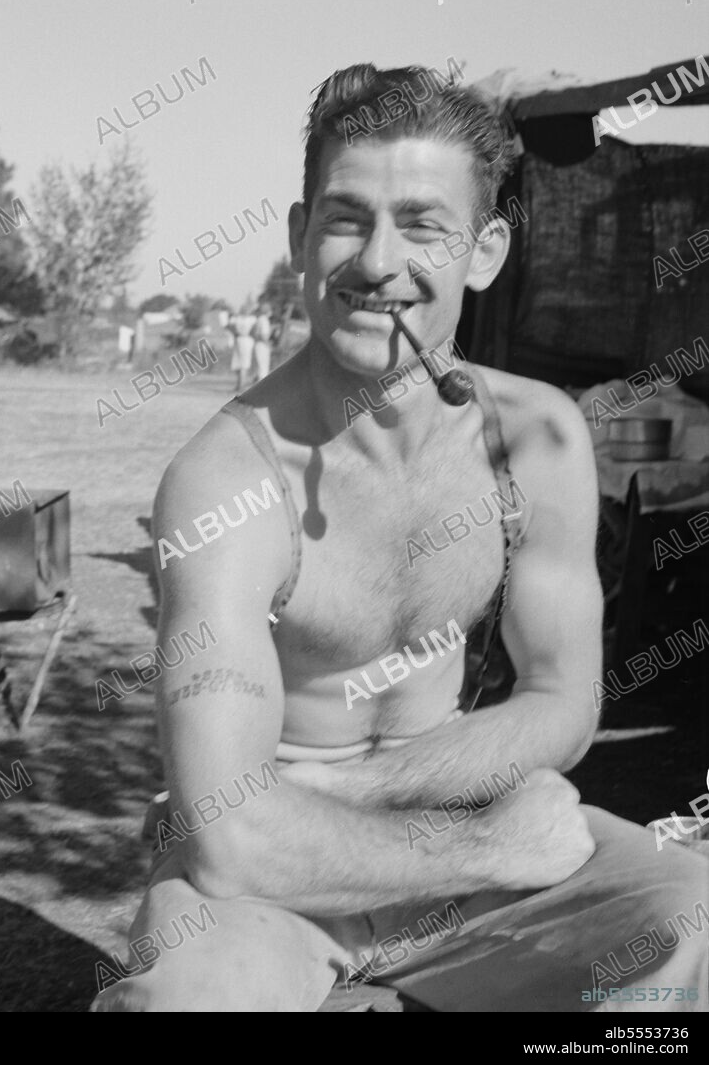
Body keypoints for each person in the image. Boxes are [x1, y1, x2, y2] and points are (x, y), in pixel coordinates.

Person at [92, 64, 708, 1012]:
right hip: (275, 883)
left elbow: (563, 702)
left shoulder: (537, 438)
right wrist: (492, 843)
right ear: (300, 237)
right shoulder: (222, 483)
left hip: (415, 838)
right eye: (345, 217)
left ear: (486, 249)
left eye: (422, 224)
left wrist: (336, 797)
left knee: (687, 917)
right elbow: (231, 840)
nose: (378, 261)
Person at [228, 306, 256, 393]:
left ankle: (240, 384)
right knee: (243, 363)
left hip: (240, 339)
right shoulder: (251, 319)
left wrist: (236, 333)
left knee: (240, 362)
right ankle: (241, 384)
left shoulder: (236, 319)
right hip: (246, 339)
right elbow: (254, 329)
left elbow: (230, 326)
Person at [252, 303, 274, 382]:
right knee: (263, 366)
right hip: (262, 345)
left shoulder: (259, 319)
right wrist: (268, 345)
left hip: (257, 344)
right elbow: (263, 335)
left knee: (259, 365)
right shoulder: (264, 320)